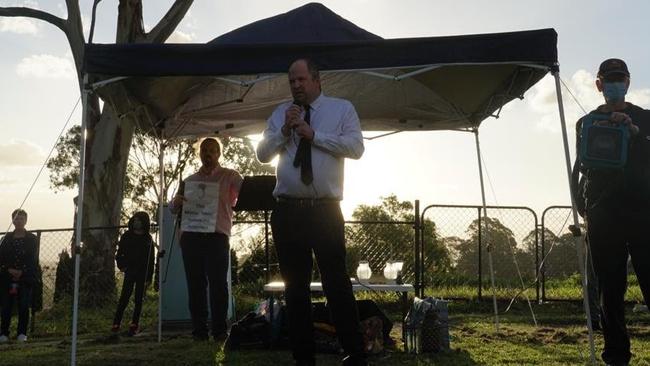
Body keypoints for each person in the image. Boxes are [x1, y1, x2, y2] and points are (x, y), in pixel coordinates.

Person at [256, 58, 366, 366]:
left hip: (325, 211)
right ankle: (303, 357)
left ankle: (355, 353)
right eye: (291, 81)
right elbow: (263, 154)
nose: (296, 85)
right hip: (288, 211)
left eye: (301, 80)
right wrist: (284, 131)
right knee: (295, 288)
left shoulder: (341, 109)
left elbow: (356, 148)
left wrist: (313, 135)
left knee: (336, 283)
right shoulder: (280, 113)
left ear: (317, 80)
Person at [574, 58, 650, 366]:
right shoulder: (586, 122)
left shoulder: (645, 118)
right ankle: (616, 355)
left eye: (621, 78)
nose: (616, 84)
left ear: (628, 82)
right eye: (610, 79)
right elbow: (584, 164)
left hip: (643, 210)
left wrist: (633, 132)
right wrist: (584, 208)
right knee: (610, 289)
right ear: (599, 84)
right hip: (603, 212)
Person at [170, 138, 243, 342]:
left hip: (217, 237)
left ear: (219, 153)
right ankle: (199, 331)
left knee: (219, 284)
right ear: (199, 153)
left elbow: (246, 192)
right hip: (191, 237)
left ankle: (220, 331)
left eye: (212, 150)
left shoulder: (230, 176)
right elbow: (174, 208)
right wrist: (175, 203)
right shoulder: (189, 181)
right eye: (204, 150)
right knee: (195, 284)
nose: (208, 154)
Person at [112, 211, 155, 336]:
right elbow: (119, 254)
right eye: (135, 220)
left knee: (138, 299)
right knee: (124, 297)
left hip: (142, 273)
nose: (137, 222)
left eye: (139, 220)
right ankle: (116, 323)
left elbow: (151, 259)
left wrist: (149, 276)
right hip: (130, 271)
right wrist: (122, 266)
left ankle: (134, 324)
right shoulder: (126, 236)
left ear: (144, 223)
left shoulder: (148, 239)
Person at [0, 209, 38, 343]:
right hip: (7, 277)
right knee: (6, 306)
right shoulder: (5, 239)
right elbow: (2, 259)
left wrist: (21, 272)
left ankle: (22, 333)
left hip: (25, 277)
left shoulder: (32, 239)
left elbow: (32, 259)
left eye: (21, 218)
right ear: (12, 220)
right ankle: (3, 333)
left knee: (23, 305)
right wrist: (9, 270)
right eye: (16, 218)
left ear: (26, 220)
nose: (19, 221)